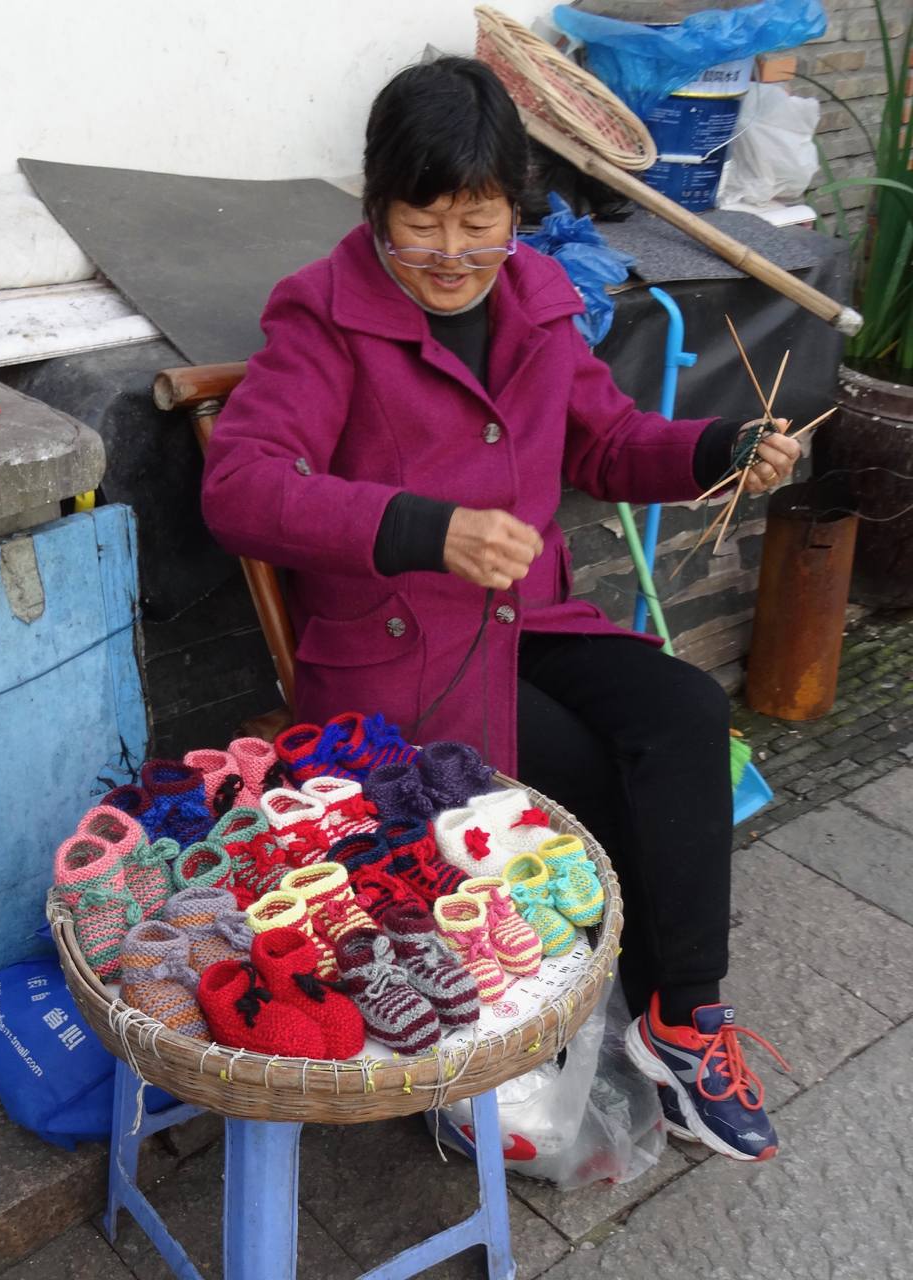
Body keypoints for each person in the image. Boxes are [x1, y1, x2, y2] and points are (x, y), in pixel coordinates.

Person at [202, 56, 797, 1162]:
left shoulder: (537, 300)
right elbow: (240, 486)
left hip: (532, 618)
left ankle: (681, 1020)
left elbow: (609, 443)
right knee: (594, 784)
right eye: (421, 223)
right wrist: (426, 527)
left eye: (478, 223)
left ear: (515, 213)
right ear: (377, 206)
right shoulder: (323, 317)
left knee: (682, 712)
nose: (451, 254)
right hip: (402, 659)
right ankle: (569, 1010)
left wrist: (721, 447)